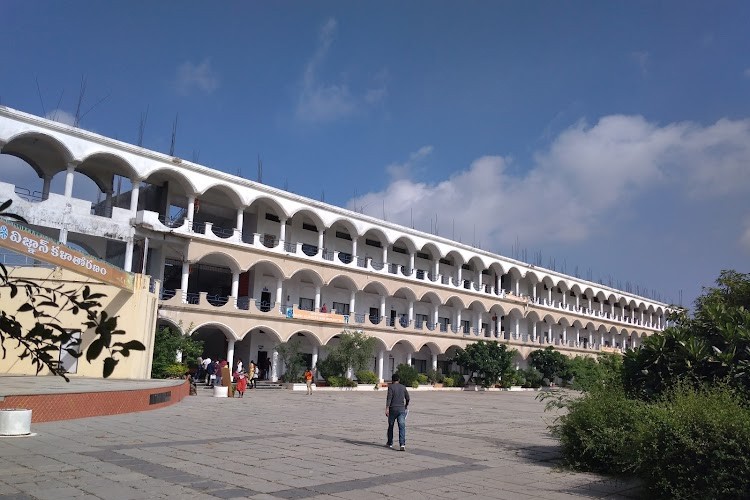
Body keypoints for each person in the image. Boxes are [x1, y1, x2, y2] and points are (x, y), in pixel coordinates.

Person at [385, 373, 410, 451]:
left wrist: (387, 408)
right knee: (402, 427)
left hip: (393, 409)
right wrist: (406, 405)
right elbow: (408, 398)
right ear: (399, 380)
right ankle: (402, 444)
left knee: (391, 426)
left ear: (392, 380)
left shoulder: (391, 387)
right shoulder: (403, 387)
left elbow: (389, 398)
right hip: (401, 409)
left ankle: (390, 443)